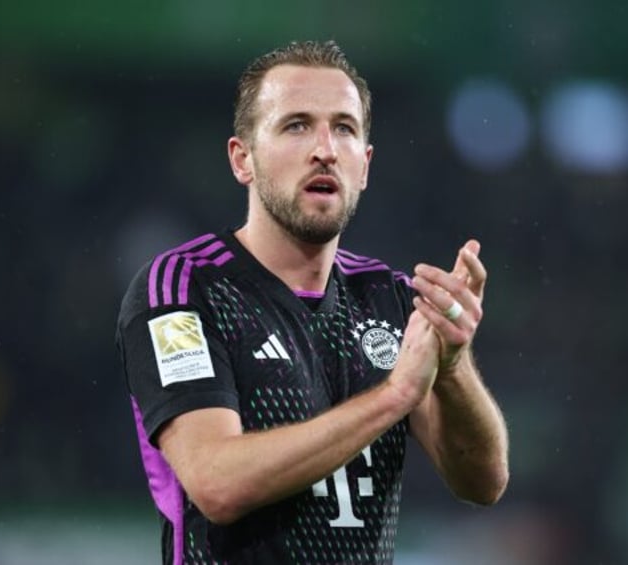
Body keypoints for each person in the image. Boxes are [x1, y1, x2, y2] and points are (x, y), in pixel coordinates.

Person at [116, 39, 509, 565]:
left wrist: (456, 366)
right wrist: (392, 398)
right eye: (296, 125)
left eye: (344, 128)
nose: (324, 148)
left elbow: (483, 481)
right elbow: (217, 482)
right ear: (242, 160)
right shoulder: (184, 289)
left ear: (364, 167)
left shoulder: (388, 298)